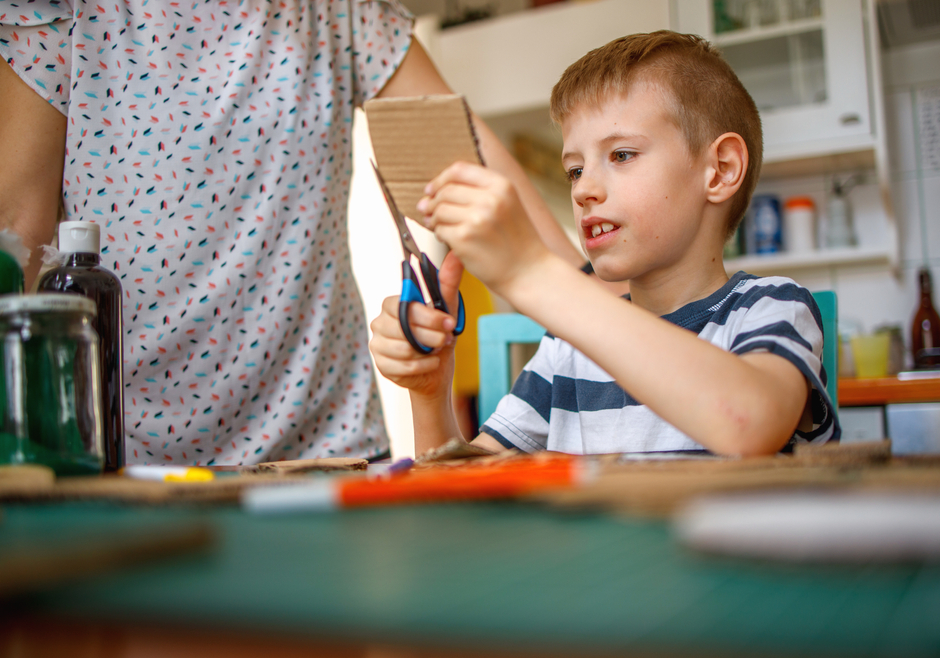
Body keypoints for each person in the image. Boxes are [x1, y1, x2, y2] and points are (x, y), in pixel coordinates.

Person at [0, 0, 585, 465]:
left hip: (324, 447)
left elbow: (470, 164)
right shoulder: (60, 10)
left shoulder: (338, 11)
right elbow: (17, 237)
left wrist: (596, 300)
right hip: (122, 452)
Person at [369, 30, 841, 457]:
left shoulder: (771, 308)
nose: (582, 189)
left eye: (621, 154)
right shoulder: (567, 351)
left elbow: (748, 424)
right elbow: (460, 498)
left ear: (719, 170)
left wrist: (533, 273)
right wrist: (430, 395)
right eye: (574, 169)